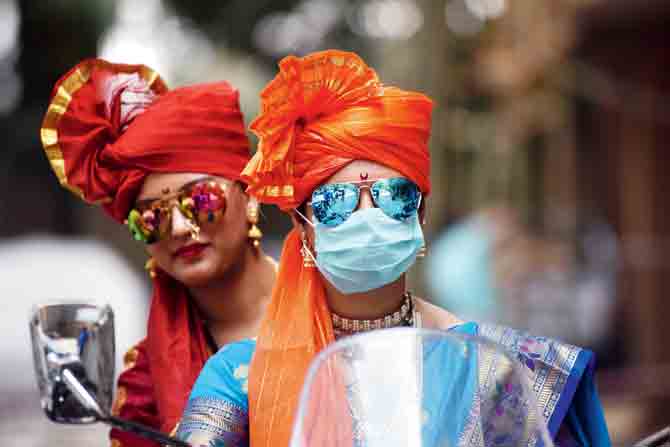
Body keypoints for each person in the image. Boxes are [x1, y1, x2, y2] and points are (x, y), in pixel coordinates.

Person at [175, 50, 610, 446]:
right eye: (335, 203)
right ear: (302, 227)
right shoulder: (244, 376)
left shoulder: (494, 369)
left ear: (420, 214)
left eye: (393, 197)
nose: (368, 215)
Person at [39, 59, 277, 446]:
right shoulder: (145, 384)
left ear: (248, 192)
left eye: (200, 199)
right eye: (152, 217)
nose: (180, 229)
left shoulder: (333, 301)